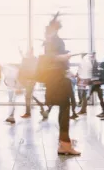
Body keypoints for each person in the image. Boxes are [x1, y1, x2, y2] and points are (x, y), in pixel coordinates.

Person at [41, 14, 80, 155]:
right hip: (57, 78)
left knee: (64, 108)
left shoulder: (50, 39)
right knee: (65, 108)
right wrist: (64, 56)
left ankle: (64, 140)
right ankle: (65, 144)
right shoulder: (52, 40)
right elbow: (50, 58)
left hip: (56, 78)